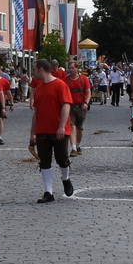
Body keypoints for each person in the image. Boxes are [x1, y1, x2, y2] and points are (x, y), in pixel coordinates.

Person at [30, 59, 73, 203]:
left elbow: (66, 106)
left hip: (59, 130)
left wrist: (61, 126)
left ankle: (65, 179)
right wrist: (32, 133)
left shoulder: (60, 85)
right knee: (44, 161)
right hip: (42, 130)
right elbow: (36, 113)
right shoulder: (39, 89)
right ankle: (49, 192)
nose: (33, 73)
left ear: (41, 69)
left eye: (34, 69)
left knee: (62, 158)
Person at [65, 61, 93, 154]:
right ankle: (73, 148)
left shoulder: (84, 79)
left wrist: (86, 103)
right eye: (70, 68)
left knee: (79, 128)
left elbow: (88, 92)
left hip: (81, 106)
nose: (71, 70)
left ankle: (78, 145)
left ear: (77, 68)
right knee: (71, 126)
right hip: (70, 107)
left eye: (73, 68)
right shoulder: (65, 80)